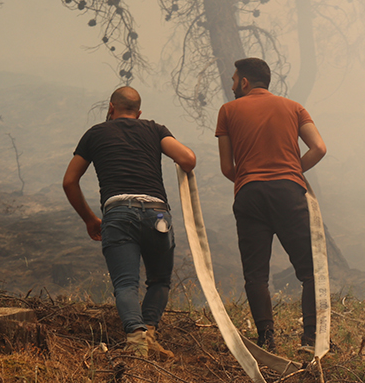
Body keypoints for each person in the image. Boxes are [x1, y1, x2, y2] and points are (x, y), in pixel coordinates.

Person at [63, 86, 196, 359]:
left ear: (111, 108)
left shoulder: (96, 133)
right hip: (157, 214)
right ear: (139, 112)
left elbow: (69, 181)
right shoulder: (154, 129)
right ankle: (149, 331)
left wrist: (90, 219)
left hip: (118, 213)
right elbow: (187, 159)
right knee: (159, 281)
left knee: (126, 284)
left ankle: (137, 341)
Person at [215, 57, 327, 352]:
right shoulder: (294, 107)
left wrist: (251, 178)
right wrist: (292, 171)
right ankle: (310, 338)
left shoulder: (227, 111)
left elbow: (228, 168)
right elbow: (319, 148)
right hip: (288, 191)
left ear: (245, 82)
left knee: (256, 274)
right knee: (310, 271)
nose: (232, 85)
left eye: (234, 80)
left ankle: (266, 340)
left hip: (249, 193)